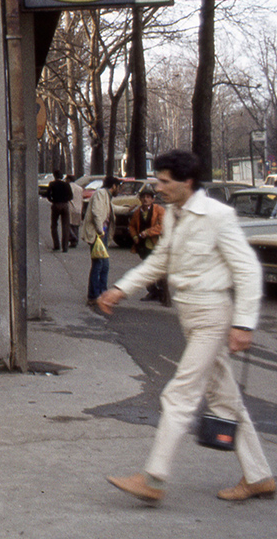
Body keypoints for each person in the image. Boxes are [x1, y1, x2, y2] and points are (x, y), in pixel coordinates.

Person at [98, 150, 274, 504]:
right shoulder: (175, 215)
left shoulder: (217, 216)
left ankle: (154, 479)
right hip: (191, 317)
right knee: (224, 397)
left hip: (213, 316)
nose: (158, 186)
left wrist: (243, 324)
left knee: (179, 394)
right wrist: (120, 289)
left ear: (186, 182)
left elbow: (249, 270)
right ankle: (259, 476)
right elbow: (161, 259)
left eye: (165, 181)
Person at [81, 175, 119, 305]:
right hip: (98, 234)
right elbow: (97, 212)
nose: (119, 190)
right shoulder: (100, 194)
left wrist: (127, 209)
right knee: (99, 264)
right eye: (118, 187)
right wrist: (100, 230)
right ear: (114, 186)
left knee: (104, 265)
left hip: (102, 232)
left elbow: (111, 209)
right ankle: (93, 295)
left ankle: (102, 293)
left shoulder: (106, 196)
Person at [129, 186, 169, 306]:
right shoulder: (137, 212)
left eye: (148, 197)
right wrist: (135, 236)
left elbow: (162, 226)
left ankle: (164, 294)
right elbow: (131, 226)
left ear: (152, 199)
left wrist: (147, 232)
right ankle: (153, 292)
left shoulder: (159, 210)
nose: (145, 199)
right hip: (143, 247)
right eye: (143, 197)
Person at [44, 170, 74, 252]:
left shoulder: (52, 184)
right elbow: (71, 196)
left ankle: (56, 244)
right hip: (65, 205)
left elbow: (47, 194)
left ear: (54, 176)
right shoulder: (66, 184)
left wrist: (52, 200)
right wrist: (65, 200)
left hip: (56, 204)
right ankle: (65, 247)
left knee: (54, 225)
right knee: (65, 226)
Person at [66, 174, 83, 249]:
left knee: (68, 224)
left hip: (70, 207)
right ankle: (75, 242)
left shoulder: (68, 187)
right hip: (79, 208)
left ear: (69, 180)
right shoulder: (80, 188)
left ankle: (73, 237)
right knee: (76, 226)